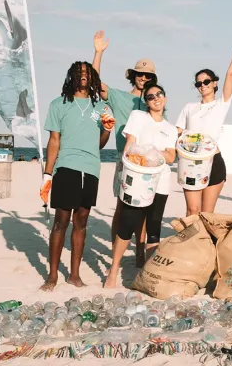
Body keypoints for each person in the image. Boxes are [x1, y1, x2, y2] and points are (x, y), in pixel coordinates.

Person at [39, 62, 113, 291]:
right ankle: (52, 275)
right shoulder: (58, 104)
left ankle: (74, 274)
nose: (83, 76)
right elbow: (54, 141)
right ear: (71, 76)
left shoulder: (100, 107)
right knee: (61, 221)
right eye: (79, 73)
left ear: (92, 79)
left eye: (87, 73)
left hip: (91, 168)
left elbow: (99, 143)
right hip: (66, 167)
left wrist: (107, 130)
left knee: (81, 222)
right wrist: (47, 174)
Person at [92, 30, 156, 266]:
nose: (143, 78)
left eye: (148, 76)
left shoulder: (156, 101)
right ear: (134, 75)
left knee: (145, 210)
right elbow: (95, 82)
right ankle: (115, 254)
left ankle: (140, 255)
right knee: (122, 207)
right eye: (140, 74)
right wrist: (98, 53)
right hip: (125, 158)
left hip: (149, 161)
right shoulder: (118, 96)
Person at [175, 24, 232, 215]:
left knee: (207, 212)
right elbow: (178, 133)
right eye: (199, 83)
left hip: (214, 161)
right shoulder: (189, 108)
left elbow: (231, 74)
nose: (202, 85)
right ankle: (193, 244)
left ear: (214, 83)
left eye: (206, 82)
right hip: (191, 161)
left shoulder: (221, 104)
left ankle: (208, 245)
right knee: (192, 210)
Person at [104, 83, 176, 288]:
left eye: (159, 94)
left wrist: (150, 152)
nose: (155, 98)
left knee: (154, 228)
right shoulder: (137, 116)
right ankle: (114, 269)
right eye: (150, 96)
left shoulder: (170, 129)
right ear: (146, 101)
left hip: (160, 181)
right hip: (137, 179)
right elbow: (130, 145)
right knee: (127, 224)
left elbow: (171, 157)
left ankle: (148, 272)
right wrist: (128, 164)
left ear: (165, 98)